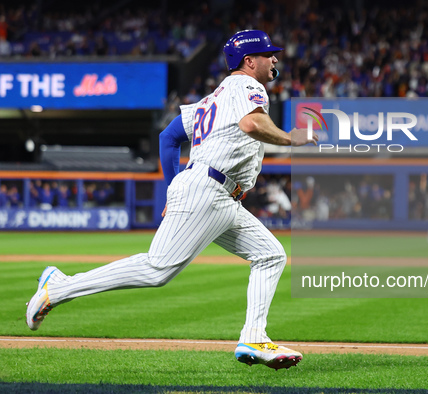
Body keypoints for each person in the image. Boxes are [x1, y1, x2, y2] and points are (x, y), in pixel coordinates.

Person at [26, 30, 318, 371]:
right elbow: (252, 123)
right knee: (156, 269)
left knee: (270, 254)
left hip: (218, 195)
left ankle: (254, 337)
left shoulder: (213, 99)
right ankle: (58, 288)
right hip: (209, 189)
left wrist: (172, 187)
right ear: (248, 61)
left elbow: (169, 136)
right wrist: (290, 138)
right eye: (269, 54)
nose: (275, 59)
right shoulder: (246, 86)